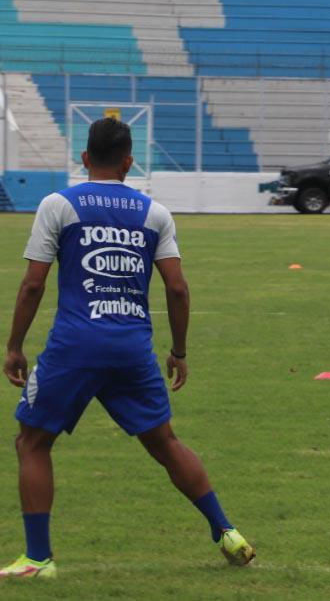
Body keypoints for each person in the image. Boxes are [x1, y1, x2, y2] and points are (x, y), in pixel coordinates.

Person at [0, 118, 254, 579]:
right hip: (132, 347)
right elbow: (177, 288)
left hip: (75, 345)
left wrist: (14, 345)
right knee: (164, 442)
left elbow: (33, 284)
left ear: (83, 158)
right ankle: (226, 530)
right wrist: (178, 350)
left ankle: (38, 558)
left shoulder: (58, 204)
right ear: (128, 161)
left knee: (32, 441)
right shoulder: (154, 213)